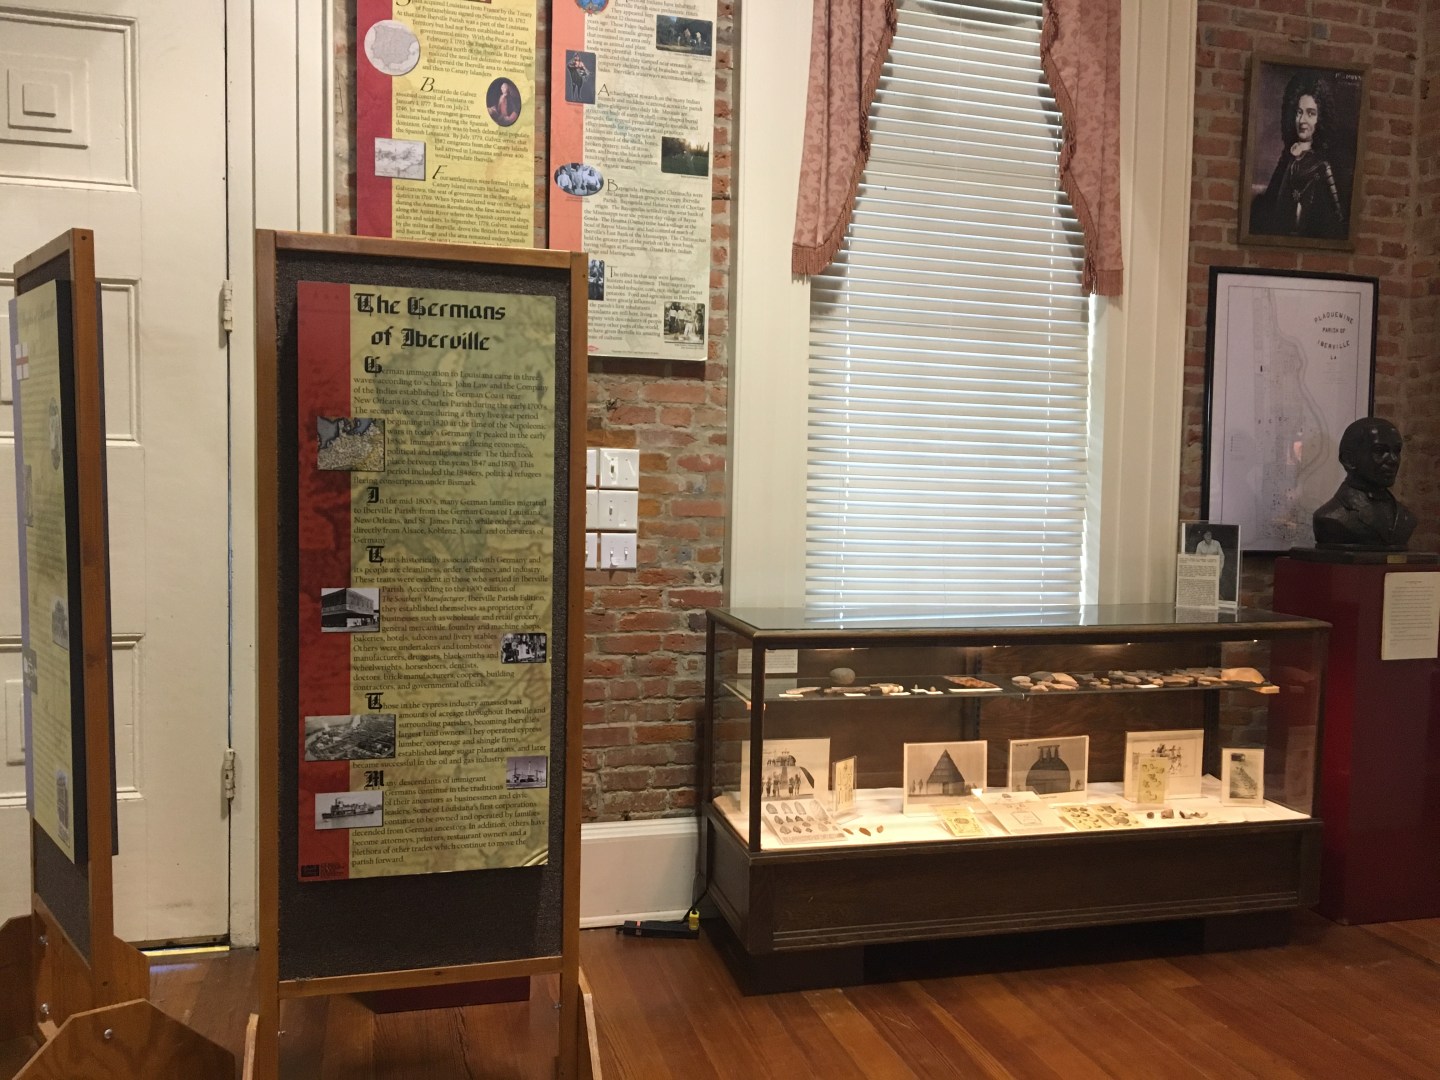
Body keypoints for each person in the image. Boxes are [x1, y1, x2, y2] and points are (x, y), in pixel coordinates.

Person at [1249, 72, 1346, 240]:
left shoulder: (1322, 166)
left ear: (1321, 118)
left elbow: (1333, 222)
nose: (1302, 120)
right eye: (1299, 112)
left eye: (1311, 113)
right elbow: (1271, 205)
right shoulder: (1288, 155)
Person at [1312, 417, 1416, 549]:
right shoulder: (1330, 517)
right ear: (1348, 460)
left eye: (1396, 451)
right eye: (1379, 451)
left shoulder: (1406, 517)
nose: (1393, 460)